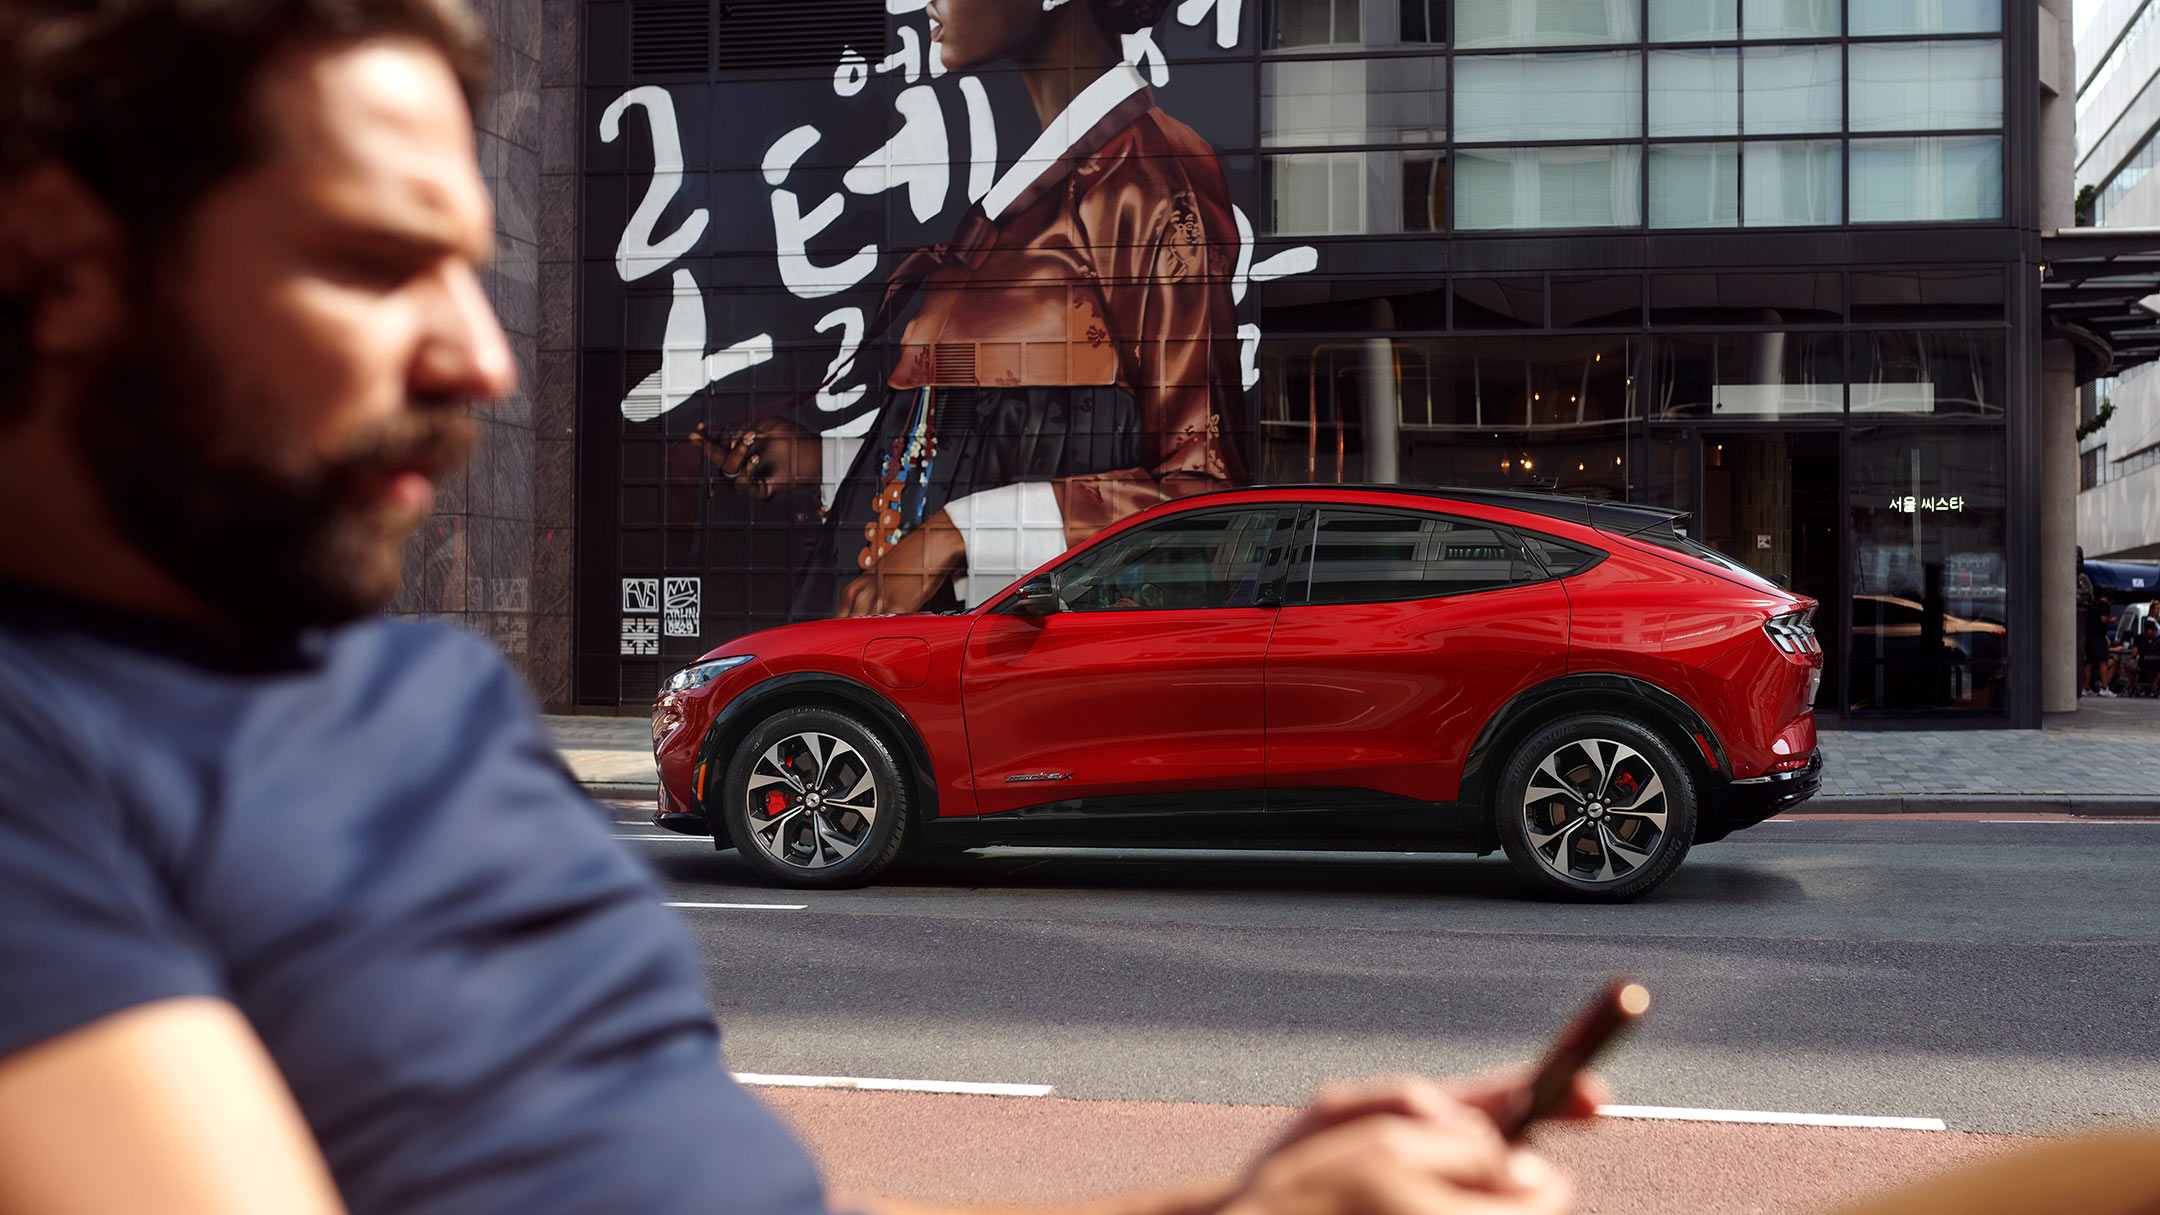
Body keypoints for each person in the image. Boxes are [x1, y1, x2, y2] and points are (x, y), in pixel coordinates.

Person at [0, 2, 1583, 1212]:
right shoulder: (45, 755)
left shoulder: (444, 712)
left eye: (470, 273)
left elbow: (1189, 470)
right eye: (372, 264)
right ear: (60, 262)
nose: (478, 359)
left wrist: (1243, 1197)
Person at [689, 0, 1245, 621]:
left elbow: (1203, 488)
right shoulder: (1037, 188)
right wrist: (826, 463)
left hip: (1019, 670)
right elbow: (994, 442)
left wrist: (954, 535)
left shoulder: (1148, 181)